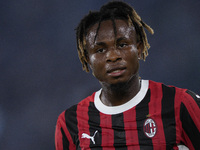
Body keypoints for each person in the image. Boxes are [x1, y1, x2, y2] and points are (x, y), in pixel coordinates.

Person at [55, 1, 200, 150]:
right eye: (100, 50)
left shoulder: (180, 103)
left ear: (139, 47)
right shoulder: (69, 123)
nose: (113, 56)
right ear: (87, 59)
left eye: (122, 45)